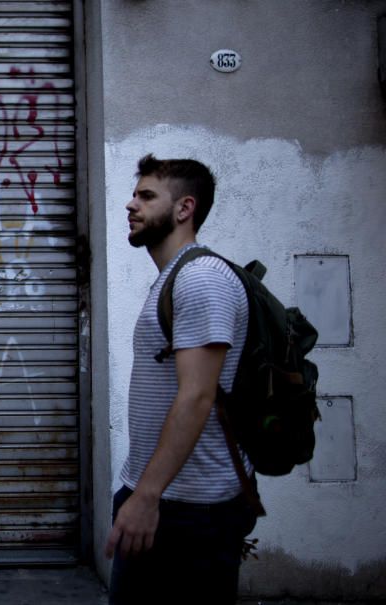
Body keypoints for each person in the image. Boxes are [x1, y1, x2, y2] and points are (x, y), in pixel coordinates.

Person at [106, 154, 258, 604]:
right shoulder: (175, 278)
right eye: (134, 194)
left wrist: (146, 498)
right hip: (168, 499)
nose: (131, 205)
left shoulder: (201, 279)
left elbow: (197, 396)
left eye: (147, 196)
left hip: (189, 511)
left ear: (184, 209)